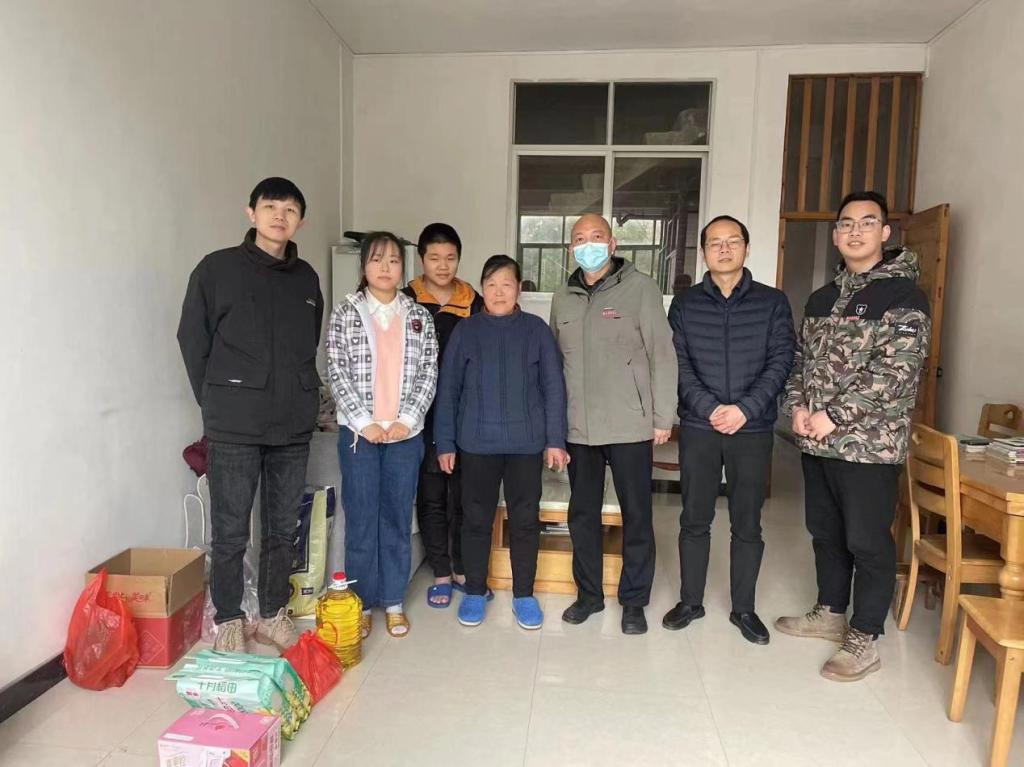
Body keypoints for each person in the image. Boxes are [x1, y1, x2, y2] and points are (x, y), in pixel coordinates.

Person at [776, 191, 930, 681]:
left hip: (869, 448)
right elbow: (800, 362)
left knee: (867, 540)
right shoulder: (823, 298)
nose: (855, 231)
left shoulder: (903, 296)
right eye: (846, 224)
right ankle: (830, 612)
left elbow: (897, 371)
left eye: (867, 222)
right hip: (817, 442)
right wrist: (798, 407)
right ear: (836, 234)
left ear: (885, 233)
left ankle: (864, 637)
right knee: (825, 532)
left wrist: (836, 415)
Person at [177, 177, 323, 653]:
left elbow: (308, 342)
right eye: (270, 206)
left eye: (290, 210)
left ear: (300, 220)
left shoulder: (306, 279)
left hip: (291, 425)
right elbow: (192, 339)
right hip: (234, 424)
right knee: (231, 530)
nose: (280, 216)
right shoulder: (216, 270)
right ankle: (230, 618)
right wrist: (216, 399)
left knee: (282, 527)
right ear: (251, 213)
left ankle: (273, 612)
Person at [663, 215, 795, 644]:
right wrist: (710, 408)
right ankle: (690, 601)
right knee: (694, 518)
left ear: (746, 248)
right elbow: (676, 362)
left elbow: (782, 360)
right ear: (704, 253)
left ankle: (744, 609)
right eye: (715, 242)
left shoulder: (772, 302)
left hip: (752, 429)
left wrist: (744, 409)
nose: (724, 249)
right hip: (700, 426)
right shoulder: (685, 305)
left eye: (732, 241)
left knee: (747, 522)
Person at [550, 213, 677, 634]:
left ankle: (634, 601)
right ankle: (588, 595)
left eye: (596, 237)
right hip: (578, 427)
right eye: (580, 239)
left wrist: (663, 416)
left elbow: (662, 354)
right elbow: (555, 364)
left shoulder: (641, 289)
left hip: (629, 424)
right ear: (571, 248)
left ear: (613, 243)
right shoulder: (563, 297)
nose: (588, 244)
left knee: (636, 516)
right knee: (582, 515)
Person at [434, 255, 569, 629]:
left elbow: (553, 388)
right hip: (476, 443)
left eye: (506, 284)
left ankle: (524, 595)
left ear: (518, 289)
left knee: (525, 520)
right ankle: (475, 591)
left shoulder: (536, 331)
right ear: (482, 289)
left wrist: (555, 440)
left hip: (526, 444)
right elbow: (449, 389)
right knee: (475, 520)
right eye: (491, 285)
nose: (498, 292)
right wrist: (445, 442)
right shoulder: (466, 331)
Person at [326, 231, 438, 639]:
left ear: (403, 267)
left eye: (393, 260)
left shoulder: (419, 316)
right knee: (360, 519)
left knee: (396, 517)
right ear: (363, 267)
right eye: (377, 260)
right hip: (359, 436)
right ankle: (360, 602)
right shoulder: (346, 312)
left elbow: (428, 371)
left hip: (406, 435)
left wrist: (407, 419)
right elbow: (336, 369)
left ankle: (392, 600)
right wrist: (364, 421)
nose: (385, 267)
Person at [401, 223, 483, 608]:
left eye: (450, 258)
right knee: (431, 493)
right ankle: (441, 571)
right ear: (421, 259)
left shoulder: (474, 302)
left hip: (466, 412)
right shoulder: (406, 300)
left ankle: (464, 566)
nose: (443, 265)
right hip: (420, 412)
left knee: (465, 494)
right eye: (434, 258)